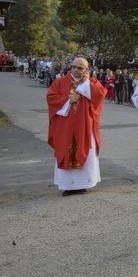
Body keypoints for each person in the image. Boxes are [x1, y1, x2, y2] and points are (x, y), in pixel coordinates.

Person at [46, 56, 107, 196]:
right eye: (73, 66)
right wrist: (67, 99)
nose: (75, 69)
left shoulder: (91, 82)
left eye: (80, 68)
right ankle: (67, 185)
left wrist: (86, 84)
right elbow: (51, 97)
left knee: (84, 150)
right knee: (66, 151)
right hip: (65, 127)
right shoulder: (60, 82)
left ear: (86, 69)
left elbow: (101, 94)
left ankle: (83, 184)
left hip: (84, 126)